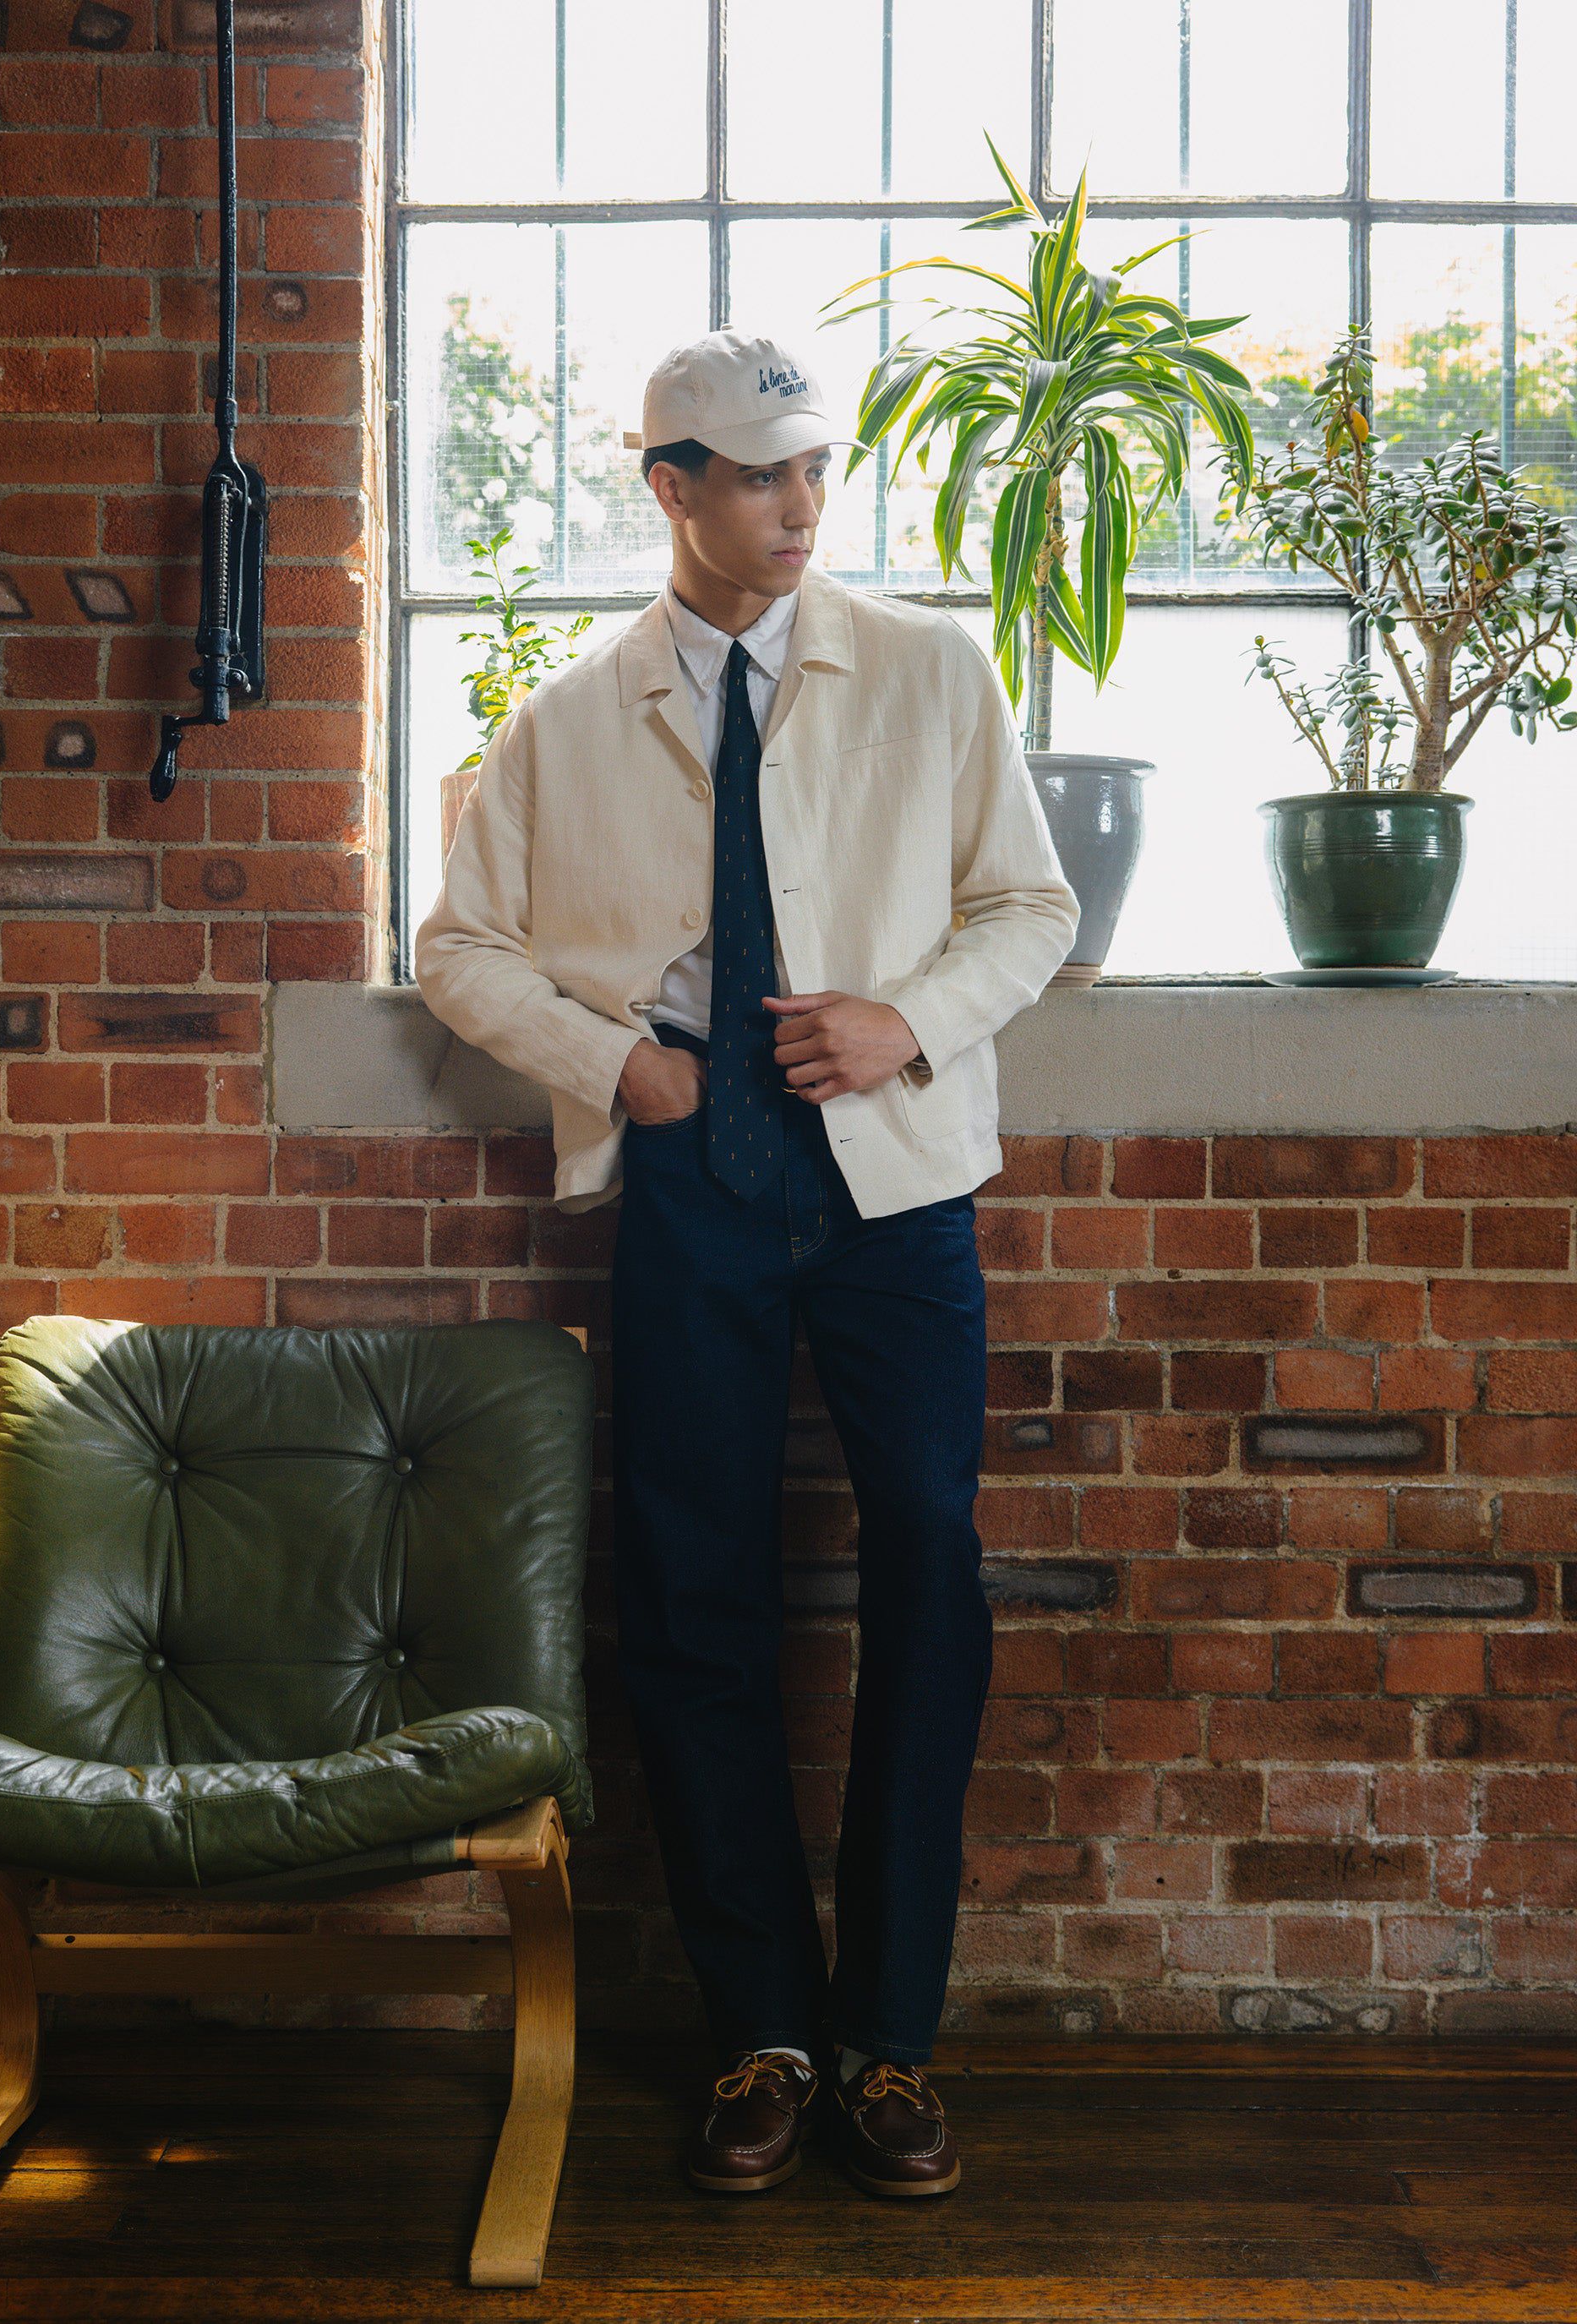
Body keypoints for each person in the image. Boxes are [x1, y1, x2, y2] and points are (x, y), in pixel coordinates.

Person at [414, 328, 1079, 2199]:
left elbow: (1032, 902)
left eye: (818, 469)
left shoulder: (932, 670)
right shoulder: (566, 718)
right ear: (671, 486)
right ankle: (762, 2032)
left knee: (928, 1567)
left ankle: (887, 2037)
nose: (802, 505)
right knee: (691, 1589)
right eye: (761, 472)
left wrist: (907, 1022)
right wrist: (618, 1061)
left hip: (896, 1184)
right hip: (696, 1183)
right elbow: (457, 946)